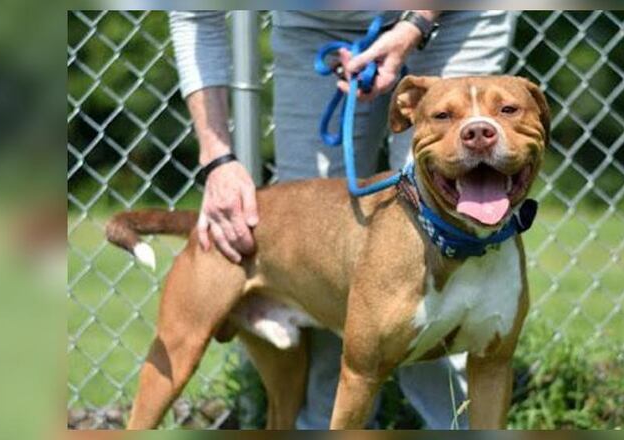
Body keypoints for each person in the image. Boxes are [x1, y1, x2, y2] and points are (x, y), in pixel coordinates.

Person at [169, 10, 517, 429]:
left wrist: (417, 22)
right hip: (314, 26)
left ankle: (453, 421)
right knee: (315, 259)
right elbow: (194, 16)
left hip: (455, 16)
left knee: (452, 218)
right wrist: (216, 157)